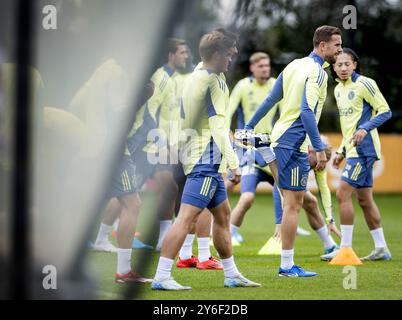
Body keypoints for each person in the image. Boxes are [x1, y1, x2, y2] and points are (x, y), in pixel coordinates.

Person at [151, 29, 261, 290]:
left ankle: (232, 274)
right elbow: (219, 128)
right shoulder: (214, 80)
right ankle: (162, 275)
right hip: (206, 159)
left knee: (222, 217)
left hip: (197, 155)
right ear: (216, 54)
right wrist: (234, 163)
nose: (234, 55)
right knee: (186, 218)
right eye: (229, 52)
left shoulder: (194, 76)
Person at [245, 25, 342, 277]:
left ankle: (325, 248)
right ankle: (287, 266)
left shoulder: (293, 65)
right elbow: (307, 111)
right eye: (337, 46)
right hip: (293, 143)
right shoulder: (318, 73)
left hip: (279, 138)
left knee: (301, 200)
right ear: (323, 46)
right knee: (293, 204)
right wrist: (319, 149)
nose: (340, 51)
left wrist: (248, 126)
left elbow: (270, 100)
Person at [226, 52, 310, 243]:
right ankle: (227, 230)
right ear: (252, 68)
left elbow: (286, 115)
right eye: (261, 65)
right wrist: (229, 140)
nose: (265, 68)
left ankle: (289, 227)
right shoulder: (243, 86)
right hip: (248, 151)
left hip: (272, 149)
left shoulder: (276, 84)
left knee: (291, 192)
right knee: (246, 198)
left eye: (267, 65)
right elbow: (229, 112)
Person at [321, 48, 392, 261]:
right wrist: (342, 151)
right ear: (333, 67)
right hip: (351, 150)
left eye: (347, 64)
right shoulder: (338, 90)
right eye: (339, 64)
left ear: (355, 65)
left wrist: (365, 128)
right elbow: (349, 126)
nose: (343, 68)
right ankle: (381, 248)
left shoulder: (364, 83)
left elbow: (385, 110)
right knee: (364, 199)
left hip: (364, 150)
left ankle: (345, 248)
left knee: (343, 193)